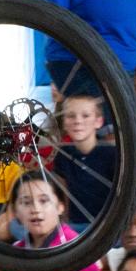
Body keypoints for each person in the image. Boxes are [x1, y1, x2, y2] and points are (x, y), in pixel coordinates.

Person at [52, 94, 117, 233]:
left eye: (86, 116)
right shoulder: (62, 154)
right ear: (63, 121)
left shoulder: (112, 155)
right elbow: (64, 195)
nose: (78, 121)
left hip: (106, 228)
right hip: (73, 227)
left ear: (99, 121)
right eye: (70, 116)